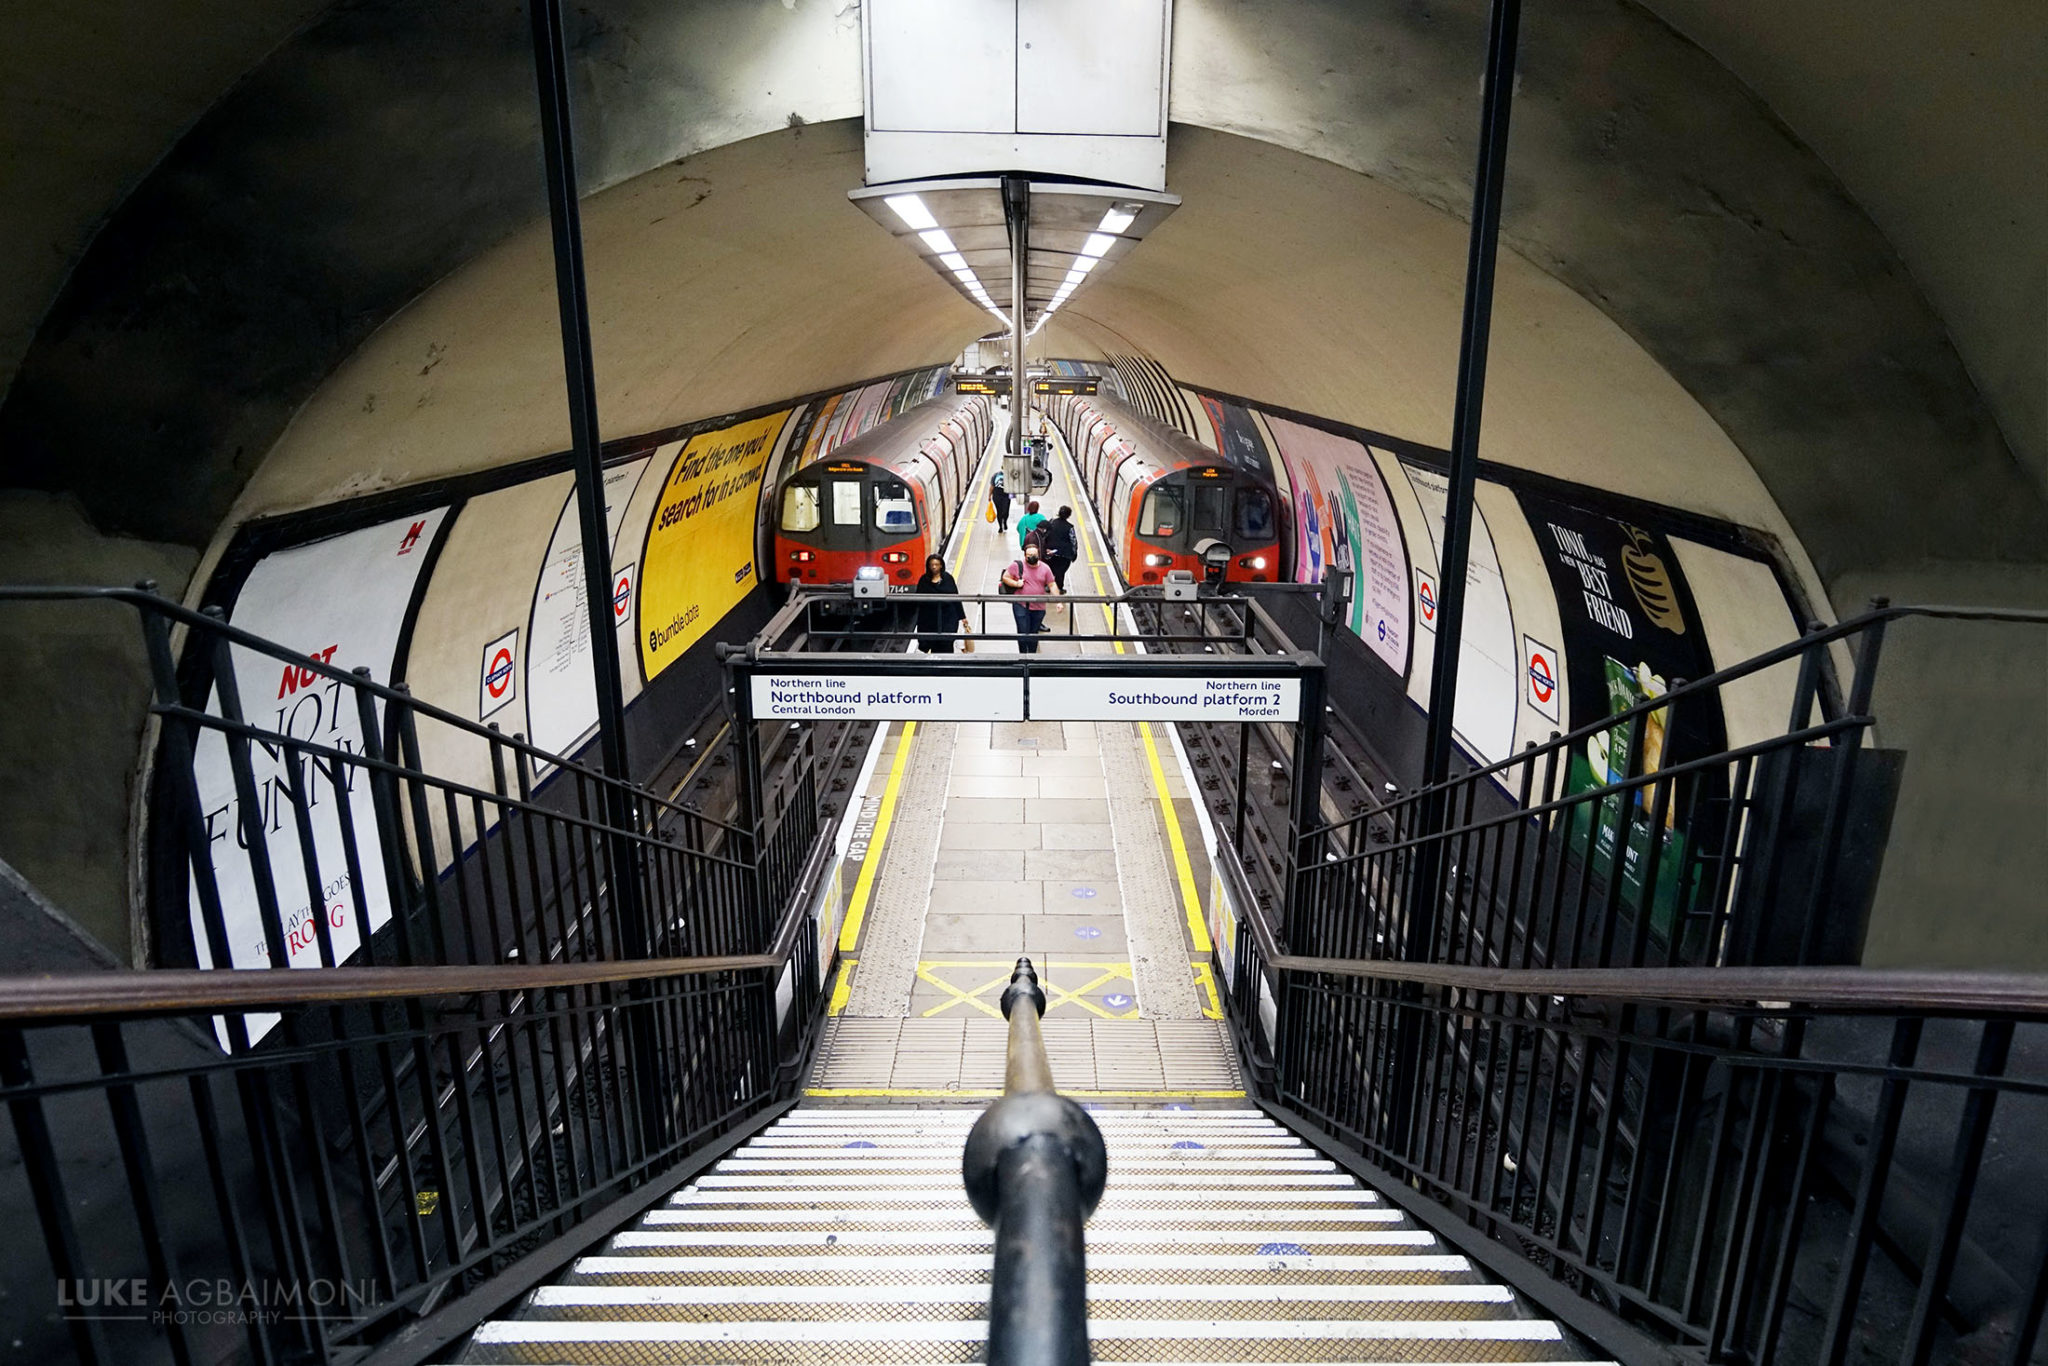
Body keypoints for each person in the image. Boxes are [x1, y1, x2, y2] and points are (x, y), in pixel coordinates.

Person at [999, 543, 1058, 653]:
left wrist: (1058, 601)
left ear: (1038, 554)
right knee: (1023, 632)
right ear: (1025, 555)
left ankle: (1031, 656)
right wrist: (1016, 584)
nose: (1032, 557)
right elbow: (1005, 577)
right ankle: (1023, 656)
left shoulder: (1045, 568)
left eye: (1034, 554)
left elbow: (1052, 584)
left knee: (1033, 633)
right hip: (1021, 605)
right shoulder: (1016, 566)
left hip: (1039, 607)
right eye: (1029, 555)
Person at [910, 554, 965, 653]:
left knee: (945, 643)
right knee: (927, 642)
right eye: (932, 565)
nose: (934, 567)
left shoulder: (948, 579)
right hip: (928, 619)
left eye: (936, 564)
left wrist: (962, 617)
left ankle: (945, 666)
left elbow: (956, 598)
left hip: (947, 619)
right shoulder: (924, 580)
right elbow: (918, 599)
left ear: (941, 566)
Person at [1040, 505, 1079, 591]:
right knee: (1060, 571)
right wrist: (1074, 553)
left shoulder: (1051, 522)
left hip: (1050, 551)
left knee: (1050, 569)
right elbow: (1073, 541)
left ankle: (1048, 585)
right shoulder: (1070, 527)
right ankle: (1059, 588)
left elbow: (1045, 535)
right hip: (1063, 553)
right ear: (1068, 515)